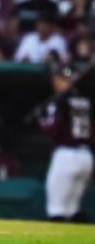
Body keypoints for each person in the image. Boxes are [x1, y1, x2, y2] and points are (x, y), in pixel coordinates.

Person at [34, 63, 93, 222]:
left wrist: (42, 119)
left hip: (66, 155)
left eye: (59, 79)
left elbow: (53, 128)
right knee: (73, 210)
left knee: (57, 209)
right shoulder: (85, 99)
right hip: (86, 156)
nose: (55, 82)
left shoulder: (60, 101)